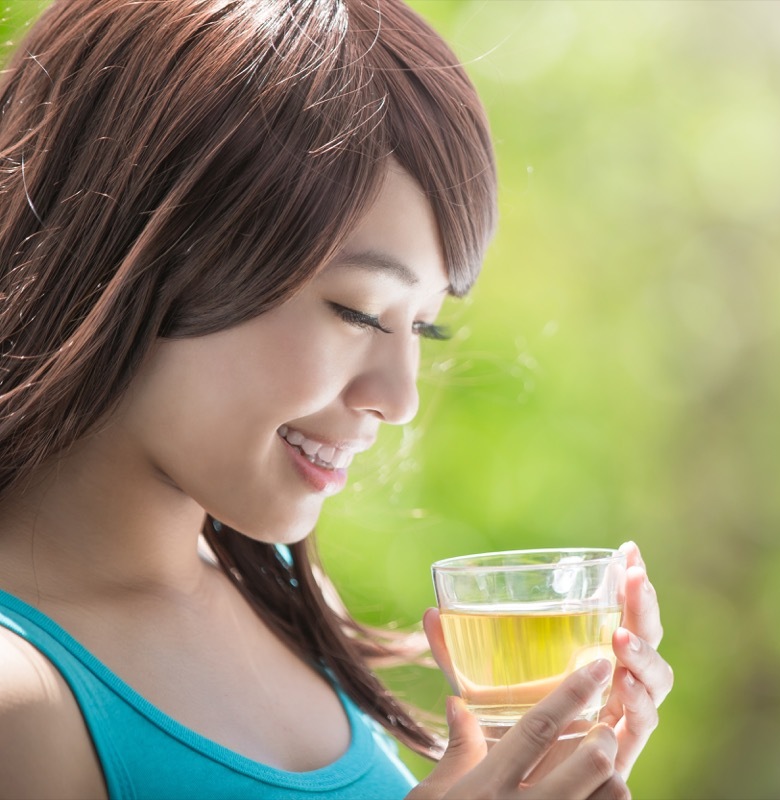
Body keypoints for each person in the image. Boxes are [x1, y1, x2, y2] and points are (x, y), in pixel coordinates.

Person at [0, 1, 673, 798]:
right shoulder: (23, 701)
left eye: (424, 329)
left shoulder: (279, 591)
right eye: (357, 310)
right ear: (140, 242)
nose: (399, 399)